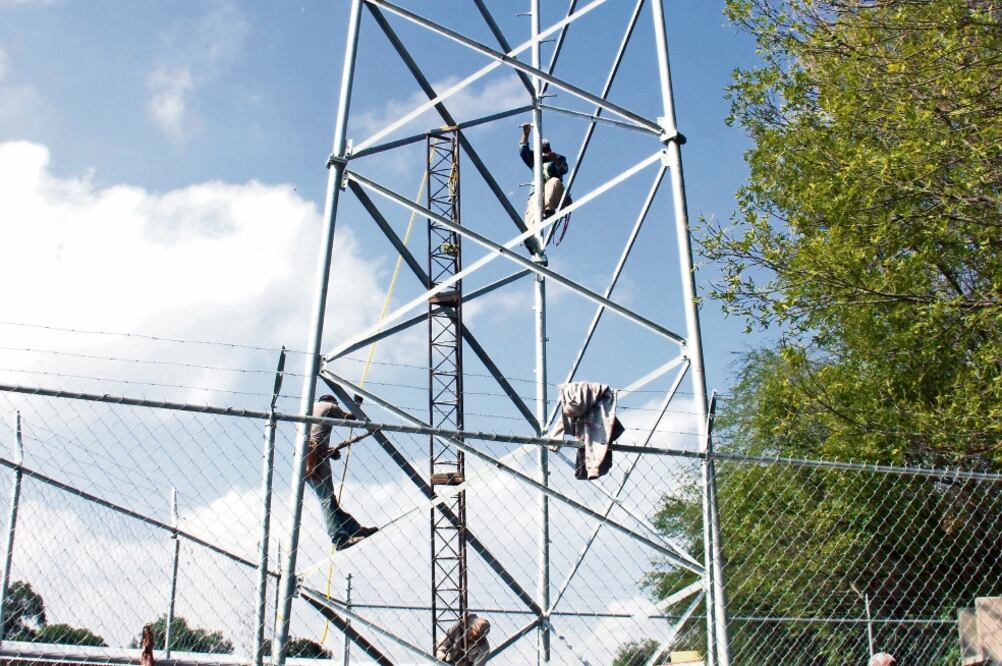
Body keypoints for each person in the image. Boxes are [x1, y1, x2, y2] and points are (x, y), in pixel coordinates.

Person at [306, 395, 378, 550]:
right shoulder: (329, 406)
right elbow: (351, 418)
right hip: (315, 456)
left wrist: (329, 452)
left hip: (303, 457)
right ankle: (339, 539)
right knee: (326, 499)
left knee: (329, 500)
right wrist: (356, 403)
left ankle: (354, 529)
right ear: (333, 402)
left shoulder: (309, 408)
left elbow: (312, 436)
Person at [519, 123, 569, 229]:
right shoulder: (535, 159)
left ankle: (549, 210)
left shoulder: (558, 158)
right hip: (538, 191)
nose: (544, 153)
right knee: (534, 200)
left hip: (556, 192)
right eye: (542, 150)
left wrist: (555, 159)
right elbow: (523, 150)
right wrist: (526, 134)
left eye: (546, 150)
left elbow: (564, 169)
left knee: (554, 181)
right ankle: (530, 234)